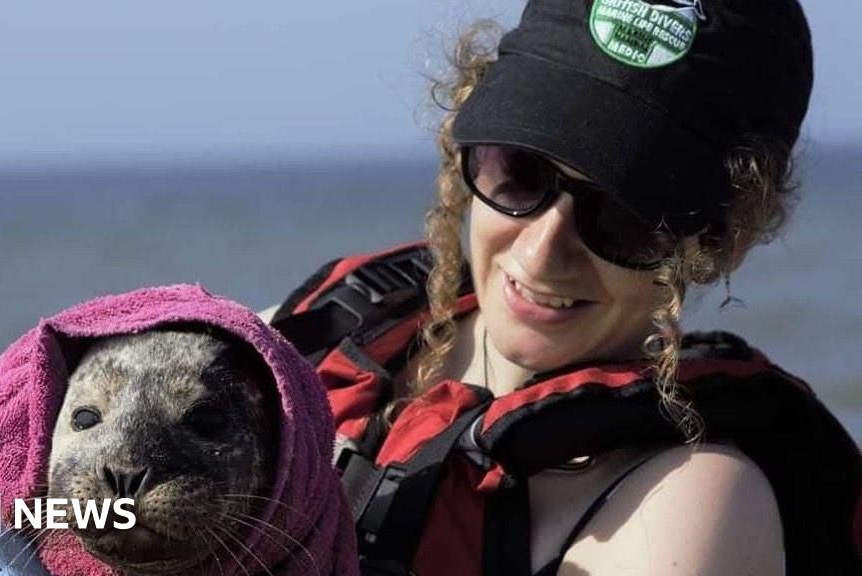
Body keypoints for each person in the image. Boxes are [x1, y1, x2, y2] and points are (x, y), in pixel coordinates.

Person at [263, 0, 860, 575]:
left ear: (723, 237)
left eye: (624, 213)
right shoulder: (333, 326)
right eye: (521, 171)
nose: (541, 249)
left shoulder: (689, 508)